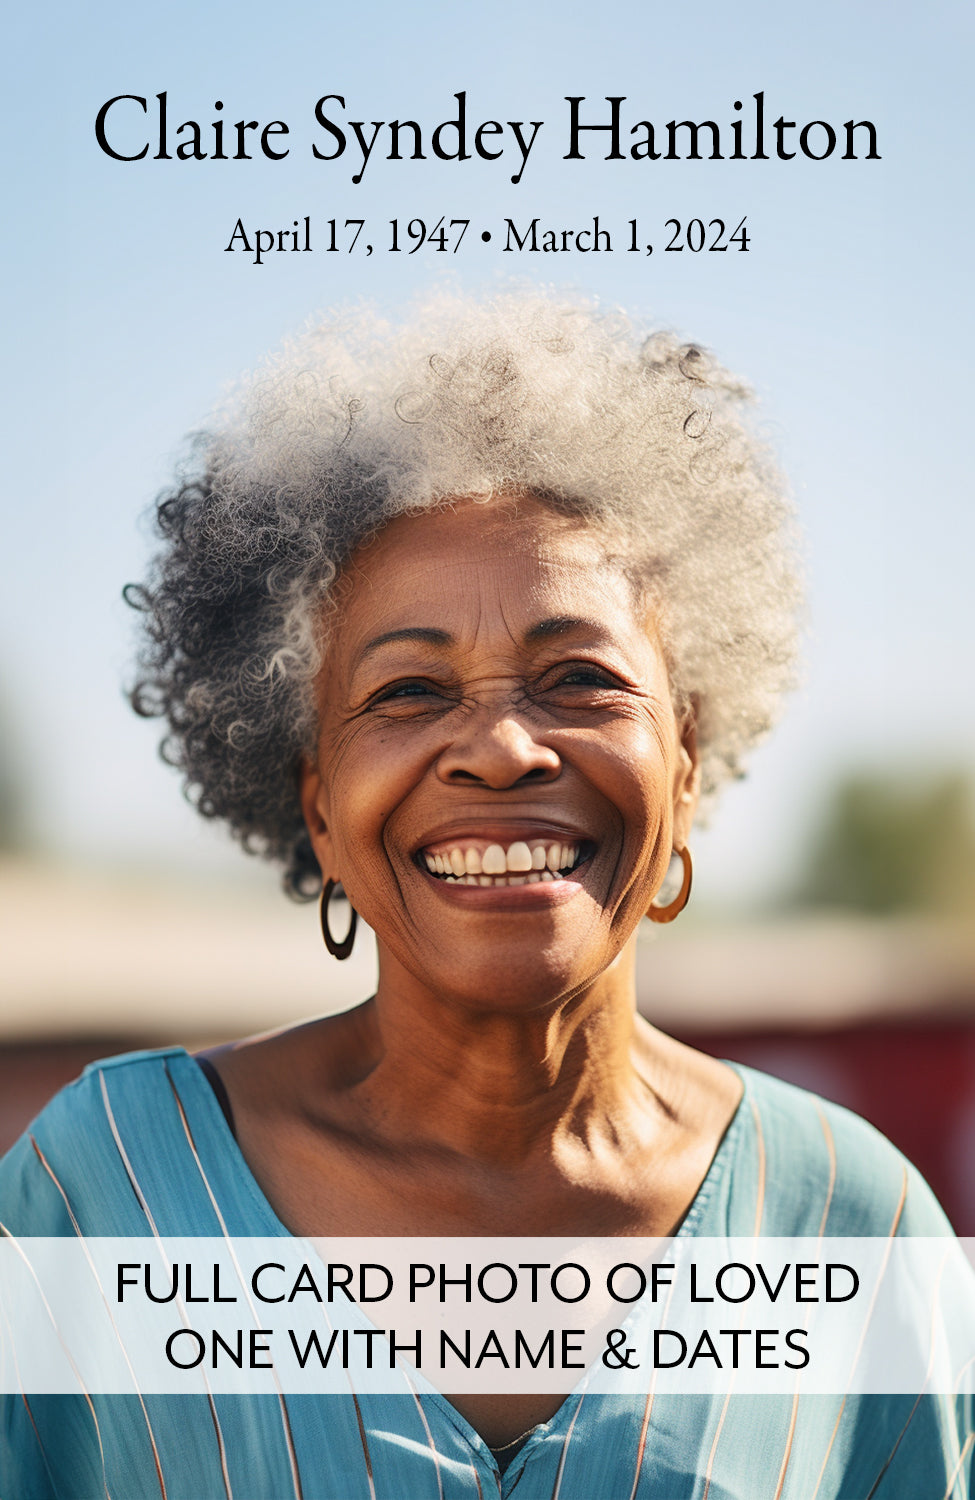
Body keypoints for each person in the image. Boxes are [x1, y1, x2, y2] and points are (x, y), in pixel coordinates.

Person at [1, 292, 971, 1498]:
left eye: (578, 676)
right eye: (408, 692)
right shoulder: (106, 1192)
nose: (505, 749)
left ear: (681, 750)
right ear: (316, 801)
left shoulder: (854, 1227)